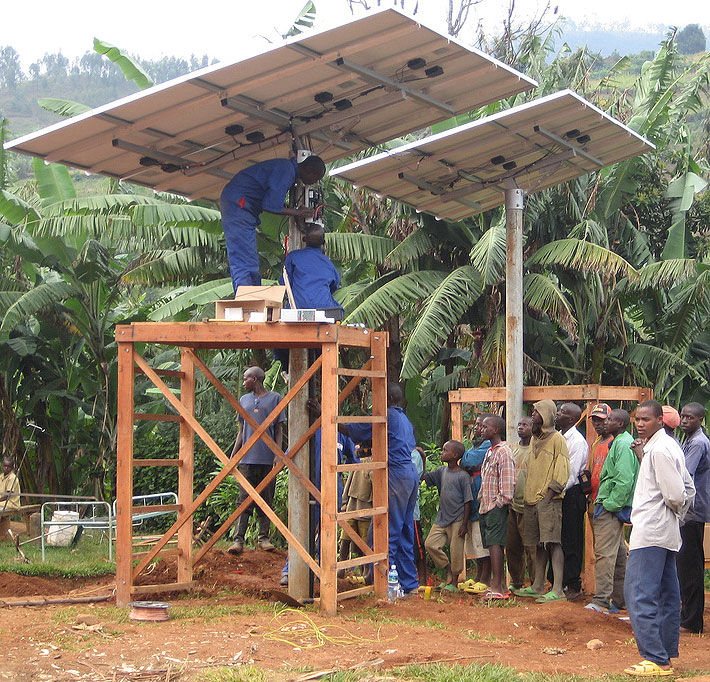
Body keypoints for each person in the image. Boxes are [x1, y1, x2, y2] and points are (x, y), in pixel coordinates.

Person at [623, 400, 695, 677]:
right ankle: (664, 654)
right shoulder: (664, 446)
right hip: (664, 532)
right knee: (666, 594)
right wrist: (677, 515)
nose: (640, 424)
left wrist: (676, 511)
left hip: (652, 531)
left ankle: (655, 658)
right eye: (637, 419)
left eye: (646, 420)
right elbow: (688, 487)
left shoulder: (660, 450)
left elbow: (677, 494)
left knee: (639, 594)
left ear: (660, 421)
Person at [342, 382, 420, 596]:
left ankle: (385, 583)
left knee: (387, 530)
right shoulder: (402, 418)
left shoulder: (385, 415)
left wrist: (326, 416)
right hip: (408, 473)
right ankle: (408, 583)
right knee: (404, 529)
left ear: (385, 398)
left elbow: (354, 429)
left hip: (396, 474)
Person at [220, 155, 326, 292]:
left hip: (241, 205)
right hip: (239, 205)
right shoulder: (286, 171)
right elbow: (270, 205)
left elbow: (271, 199)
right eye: (315, 179)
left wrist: (295, 211)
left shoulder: (286, 169)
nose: (312, 182)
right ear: (310, 172)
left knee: (249, 259)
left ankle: (252, 297)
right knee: (245, 260)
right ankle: (246, 300)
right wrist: (297, 213)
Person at [514, 399, 569, 603]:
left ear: (546, 415)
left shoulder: (557, 440)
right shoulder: (536, 440)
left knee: (553, 543)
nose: (532, 416)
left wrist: (547, 498)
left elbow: (562, 470)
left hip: (549, 500)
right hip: (531, 501)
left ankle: (557, 590)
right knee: (538, 544)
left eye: (536, 413)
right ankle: (537, 585)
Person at [585, 409, 639, 614]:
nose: (605, 422)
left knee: (605, 555)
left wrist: (610, 505)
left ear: (621, 424)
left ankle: (601, 601)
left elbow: (624, 480)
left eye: (610, 419)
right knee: (617, 555)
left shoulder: (623, 444)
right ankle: (621, 599)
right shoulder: (618, 441)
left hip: (610, 506)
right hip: (609, 504)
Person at [228, 366, 286, 555]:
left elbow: (279, 429)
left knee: (266, 498)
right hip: (247, 458)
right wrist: (233, 455)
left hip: (267, 458)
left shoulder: (275, 398)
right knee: (244, 499)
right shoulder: (244, 400)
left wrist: (277, 454)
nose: (243, 382)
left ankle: (263, 538)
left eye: (246, 379)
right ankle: (238, 540)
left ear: (255, 379)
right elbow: (240, 430)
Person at [677, 402, 710, 633]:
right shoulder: (689, 440)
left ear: (700, 420)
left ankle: (692, 621)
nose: (685, 420)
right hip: (692, 510)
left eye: (690, 417)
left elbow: (684, 474)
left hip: (692, 511)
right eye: (682, 416)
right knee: (688, 564)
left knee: (690, 566)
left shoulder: (697, 443)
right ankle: (688, 617)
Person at [422, 440, 472, 587]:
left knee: (456, 551)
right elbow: (424, 477)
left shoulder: (463, 476)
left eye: (445, 450)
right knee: (430, 544)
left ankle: (454, 582)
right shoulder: (441, 471)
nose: (442, 453)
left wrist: (464, 524)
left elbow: (467, 501)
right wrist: (423, 458)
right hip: (442, 517)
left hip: (458, 519)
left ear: (454, 455)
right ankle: (447, 568)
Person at [478, 415, 516, 599]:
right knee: (492, 545)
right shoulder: (490, 451)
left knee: (495, 544)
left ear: (496, 431)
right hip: (486, 505)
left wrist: (498, 503)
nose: (482, 429)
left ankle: (497, 587)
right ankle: (500, 584)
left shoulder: (503, 452)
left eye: (486, 427)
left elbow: (508, 483)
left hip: (496, 507)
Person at [555, 402, 588, 601]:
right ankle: (559, 581)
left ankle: (574, 584)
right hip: (558, 494)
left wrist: (555, 492)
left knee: (572, 539)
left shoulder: (577, 441)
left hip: (571, 494)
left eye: (563, 412)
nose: (558, 414)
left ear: (572, 419)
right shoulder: (559, 436)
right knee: (558, 538)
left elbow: (571, 473)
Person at [281, 224, 343, 314]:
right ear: (323, 242)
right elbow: (334, 286)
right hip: (324, 310)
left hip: (297, 307)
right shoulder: (328, 263)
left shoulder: (293, 256)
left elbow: (284, 283)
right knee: (339, 311)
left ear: (304, 240)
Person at [506, 417, 535, 592]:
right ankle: (516, 581)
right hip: (512, 504)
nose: (521, 427)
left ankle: (535, 582)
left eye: (525, 425)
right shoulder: (512, 449)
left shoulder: (536, 449)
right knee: (512, 546)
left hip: (529, 505)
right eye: (519, 425)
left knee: (531, 548)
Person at [587, 404, 613, 507]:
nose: (597, 424)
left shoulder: (614, 443)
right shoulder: (597, 442)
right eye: (594, 420)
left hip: (606, 499)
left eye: (601, 420)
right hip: (594, 498)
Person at [410, 446, 428, 585]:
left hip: (411, 511)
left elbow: (411, 477)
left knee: (417, 547)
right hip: (398, 508)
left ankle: (422, 579)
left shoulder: (414, 454)